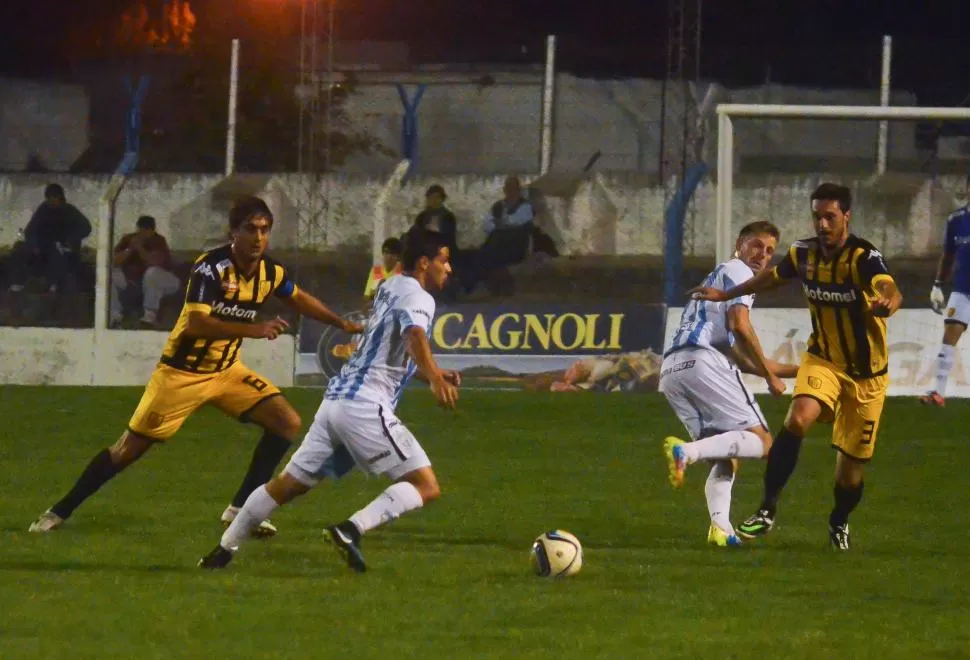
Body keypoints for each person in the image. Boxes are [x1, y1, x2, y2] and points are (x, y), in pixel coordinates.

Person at [29, 196, 364, 536]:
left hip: (227, 371)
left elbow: (298, 298)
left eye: (264, 230)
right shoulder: (210, 268)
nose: (258, 237)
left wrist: (340, 322)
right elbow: (196, 325)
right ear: (233, 232)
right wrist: (254, 329)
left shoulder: (271, 271)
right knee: (127, 451)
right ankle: (59, 511)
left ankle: (239, 510)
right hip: (181, 375)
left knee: (286, 422)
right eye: (250, 229)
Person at [198, 231, 460, 572]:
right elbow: (415, 336)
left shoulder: (391, 287)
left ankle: (223, 550)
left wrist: (434, 373)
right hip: (364, 406)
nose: (449, 268)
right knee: (425, 486)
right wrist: (436, 377)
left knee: (286, 486)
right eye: (444, 260)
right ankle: (351, 530)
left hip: (335, 402)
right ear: (425, 263)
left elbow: (393, 348)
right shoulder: (420, 298)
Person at [690, 183, 903, 551]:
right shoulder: (802, 253)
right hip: (823, 359)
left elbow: (887, 285)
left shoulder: (863, 257)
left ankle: (839, 521)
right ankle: (767, 509)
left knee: (850, 475)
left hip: (867, 377)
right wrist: (725, 295)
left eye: (830, 216)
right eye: (817, 216)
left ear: (846, 216)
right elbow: (772, 278)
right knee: (797, 418)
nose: (822, 223)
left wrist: (890, 301)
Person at [660, 221, 798, 547]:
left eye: (769, 251)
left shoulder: (718, 283)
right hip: (703, 361)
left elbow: (743, 359)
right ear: (739, 244)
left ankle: (721, 528)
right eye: (757, 246)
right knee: (764, 444)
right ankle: (686, 451)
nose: (762, 256)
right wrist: (771, 377)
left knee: (726, 456)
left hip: (673, 371)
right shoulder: (738, 272)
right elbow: (741, 324)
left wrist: (802, 371)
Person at [921, 203, 970, 406]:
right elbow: (948, 254)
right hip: (962, 288)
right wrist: (938, 284)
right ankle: (938, 392)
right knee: (950, 333)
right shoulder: (956, 220)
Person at [7, 183, 92, 294]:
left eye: (54, 198)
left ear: (60, 198)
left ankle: (52, 286)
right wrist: (34, 244)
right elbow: (31, 229)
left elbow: (86, 227)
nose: (52, 201)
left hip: (63, 249)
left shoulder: (69, 211)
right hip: (43, 247)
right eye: (49, 198)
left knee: (57, 254)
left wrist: (70, 239)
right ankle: (17, 284)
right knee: (19, 251)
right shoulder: (43, 209)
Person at [110, 215, 181, 328]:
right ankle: (115, 317)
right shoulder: (129, 239)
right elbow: (113, 261)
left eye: (146, 230)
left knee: (152, 273)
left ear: (152, 230)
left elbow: (155, 262)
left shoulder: (158, 240)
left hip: (166, 281)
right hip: (134, 283)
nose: (143, 234)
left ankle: (149, 316)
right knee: (110, 274)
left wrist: (140, 248)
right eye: (140, 230)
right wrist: (130, 249)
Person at [406, 184, 458, 256]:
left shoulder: (448, 217)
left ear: (442, 199)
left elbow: (448, 239)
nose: (434, 200)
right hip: (423, 254)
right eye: (431, 197)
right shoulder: (422, 217)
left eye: (437, 197)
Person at [363, 237, 403, 306]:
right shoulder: (376, 271)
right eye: (386, 252)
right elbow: (367, 295)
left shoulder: (401, 272)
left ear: (398, 257)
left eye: (392, 254)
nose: (388, 257)